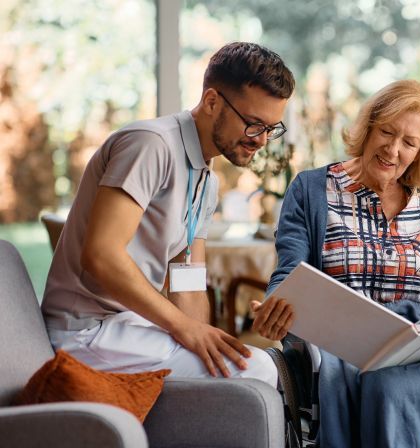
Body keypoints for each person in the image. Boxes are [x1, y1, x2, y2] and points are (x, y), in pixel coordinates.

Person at [251, 79, 420, 447]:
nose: (393, 150)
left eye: (409, 143)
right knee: (388, 389)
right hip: (351, 345)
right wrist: (277, 305)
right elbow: (289, 273)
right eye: (387, 132)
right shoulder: (312, 189)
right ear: (368, 127)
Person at [41, 42, 295, 386]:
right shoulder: (150, 145)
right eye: (253, 124)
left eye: (271, 129)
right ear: (211, 102)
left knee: (251, 362)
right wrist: (184, 329)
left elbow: (187, 280)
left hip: (129, 326)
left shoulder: (206, 181)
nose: (262, 141)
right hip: (84, 331)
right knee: (259, 371)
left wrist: (204, 338)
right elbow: (101, 255)